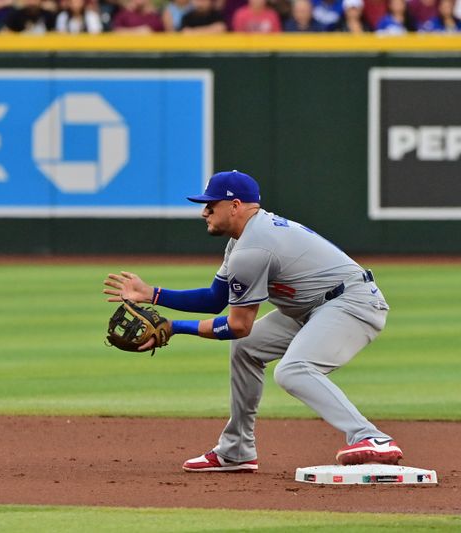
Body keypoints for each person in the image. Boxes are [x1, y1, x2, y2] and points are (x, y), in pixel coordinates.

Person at [102, 170, 403, 472]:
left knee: (293, 370)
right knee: (247, 348)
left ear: (234, 206)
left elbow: (237, 325)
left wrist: (176, 327)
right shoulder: (242, 241)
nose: (203, 211)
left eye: (211, 204)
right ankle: (237, 450)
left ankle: (372, 438)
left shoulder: (253, 248)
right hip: (315, 308)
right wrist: (152, 294)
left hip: (352, 303)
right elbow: (214, 299)